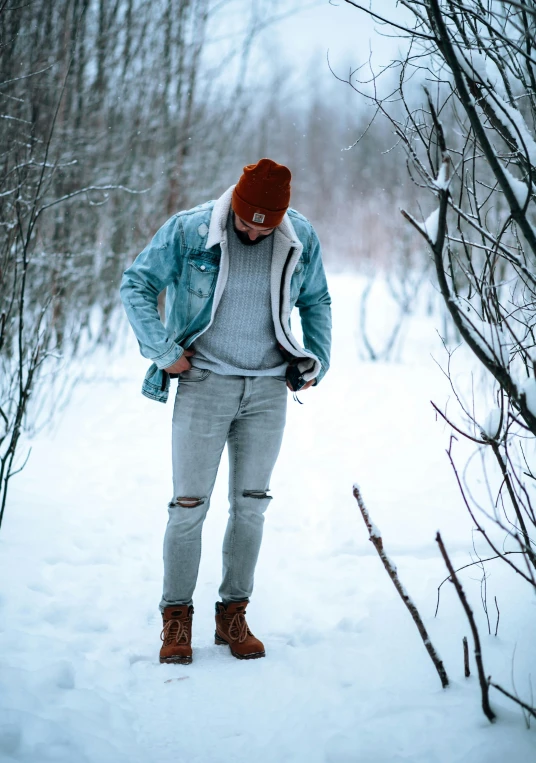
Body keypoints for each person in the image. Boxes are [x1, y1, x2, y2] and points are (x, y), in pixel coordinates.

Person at [120, 158, 331, 664]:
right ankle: (176, 619)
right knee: (188, 506)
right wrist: (164, 351)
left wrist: (317, 357)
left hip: (266, 390)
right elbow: (137, 285)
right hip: (204, 383)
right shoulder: (189, 230)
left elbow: (317, 299)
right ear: (235, 204)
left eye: (267, 226)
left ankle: (232, 614)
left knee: (252, 505)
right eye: (245, 223)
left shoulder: (298, 236)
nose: (254, 234)